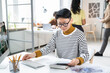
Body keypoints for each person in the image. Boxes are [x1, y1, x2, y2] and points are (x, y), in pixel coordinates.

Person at [22, 8, 89, 66]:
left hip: (75, 66)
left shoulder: (79, 34)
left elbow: (85, 54)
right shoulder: (57, 34)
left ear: (71, 20)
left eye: (65, 23)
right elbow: (48, 48)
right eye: (59, 24)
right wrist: (33, 54)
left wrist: (78, 60)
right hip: (60, 66)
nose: (62, 26)